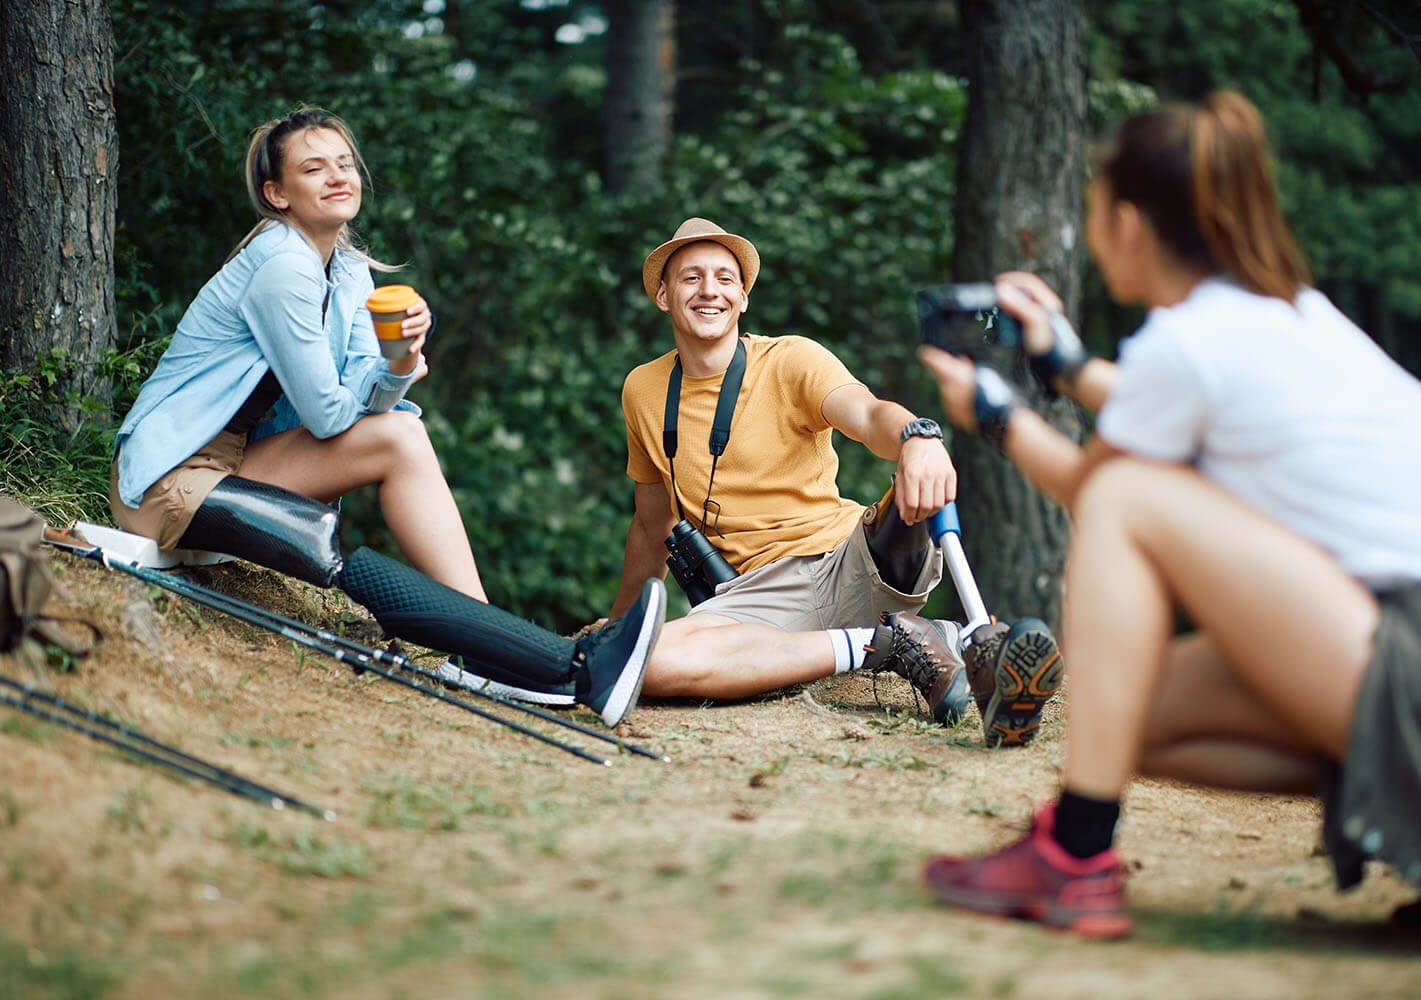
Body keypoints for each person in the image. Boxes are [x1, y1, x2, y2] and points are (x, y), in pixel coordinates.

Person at [918, 90, 1421, 951]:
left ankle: (1073, 854)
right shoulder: (1283, 314)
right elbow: (1161, 417)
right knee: (1130, 719)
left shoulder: (1188, 344)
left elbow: (1101, 492)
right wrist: (1065, 366)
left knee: (1125, 499)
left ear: (1127, 222)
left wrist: (997, 416)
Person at [110, 107, 663, 726]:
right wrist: (382, 378)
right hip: (169, 479)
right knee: (393, 441)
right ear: (277, 193)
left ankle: (498, 650)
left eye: (345, 163)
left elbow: (369, 407)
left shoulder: (344, 267)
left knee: (400, 433)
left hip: (236, 459)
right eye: (313, 168)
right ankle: (515, 654)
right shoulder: (282, 269)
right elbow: (327, 418)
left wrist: (400, 359)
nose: (337, 176)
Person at [602, 217, 1061, 733]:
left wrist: (918, 435)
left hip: (847, 562)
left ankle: (954, 642)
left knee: (909, 489)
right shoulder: (642, 390)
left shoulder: (791, 360)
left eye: (725, 278)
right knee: (651, 662)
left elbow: (867, 415)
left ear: (745, 298)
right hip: (752, 603)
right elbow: (650, 524)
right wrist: (620, 631)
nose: (710, 291)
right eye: (691, 278)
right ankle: (896, 644)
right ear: (663, 296)